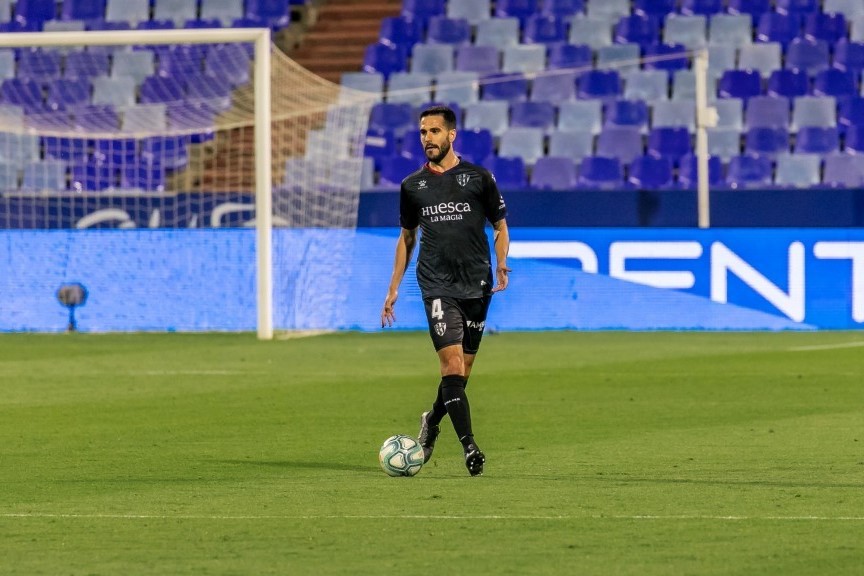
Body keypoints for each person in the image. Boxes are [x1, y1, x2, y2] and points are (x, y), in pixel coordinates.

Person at [380, 104, 510, 477]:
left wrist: (501, 262)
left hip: (477, 283)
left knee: (460, 374)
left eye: (434, 131)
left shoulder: (479, 178)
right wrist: (392, 288)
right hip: (436, 284)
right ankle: (470, 447)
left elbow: (500, 225)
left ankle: (432, 419)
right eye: (423, 132)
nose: (427, 138)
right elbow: (407, 238)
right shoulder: (412, 186)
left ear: (451, 135)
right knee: (451, 365)